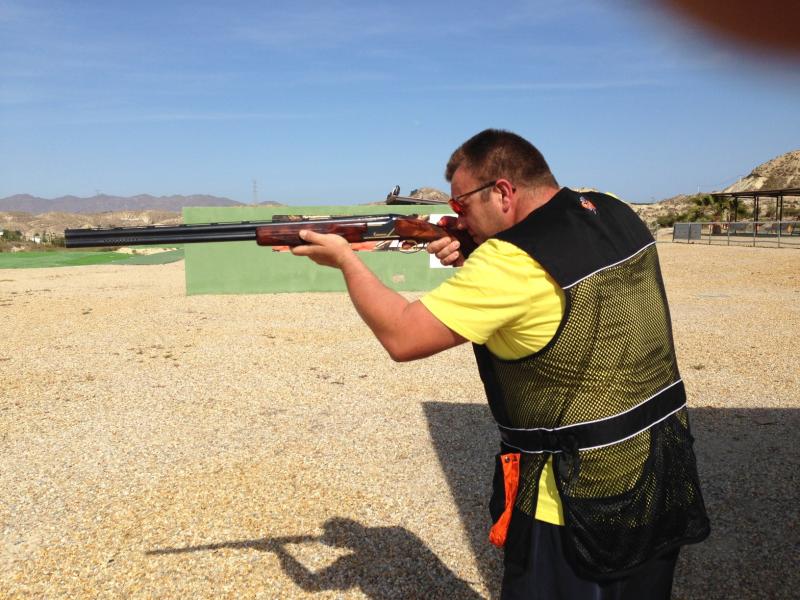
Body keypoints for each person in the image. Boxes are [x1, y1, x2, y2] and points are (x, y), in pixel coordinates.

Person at [291, 129, 710, 599]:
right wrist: (474, 253)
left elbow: (402, 336)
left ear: (504, 192)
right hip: (659, 470)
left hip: (570, 501)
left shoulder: (508, 262)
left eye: (462, 205)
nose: (458, 219)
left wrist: (347, 262)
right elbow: (556, 276)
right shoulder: (610, 209)